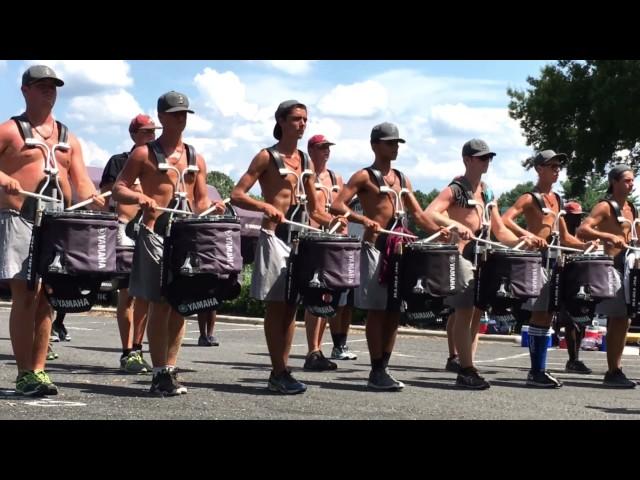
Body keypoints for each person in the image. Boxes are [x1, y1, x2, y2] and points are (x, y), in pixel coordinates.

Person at [0, 65, 105, 396]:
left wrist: (93, 198)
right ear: (25, 90)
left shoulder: (67, 137)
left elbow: (82, 180)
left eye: (53, 86)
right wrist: (4, 179)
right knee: (26, 294)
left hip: (58, 220)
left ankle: (40, 370)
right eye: (41, 85)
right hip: (20, 217)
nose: (49, 91)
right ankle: (23, 372)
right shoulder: (9, 131)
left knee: (48, 296)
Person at [113, 91, 226, 395]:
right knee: (159, 303)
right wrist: (140, 198)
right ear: (161, 117)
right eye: (175, 113)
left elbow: (200, 199)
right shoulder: (143, 153)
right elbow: (118, 190)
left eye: (184, 114)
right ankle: (160, 371)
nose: (181, 118)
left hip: (186, 237)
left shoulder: (194, 156)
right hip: (155, 234)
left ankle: (171, 368)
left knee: (181, 303)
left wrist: (211, 208)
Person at [231, 100, 346, 394]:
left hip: (301, 238)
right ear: (281, 122)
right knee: (277, 307)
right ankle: (277, 370)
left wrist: (335, 221)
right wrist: (265, 206)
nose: (302, 124)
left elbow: (317, 209)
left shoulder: (306, 161)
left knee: (292, 305)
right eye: (296, 119)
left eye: (305, 119)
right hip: (274, 236)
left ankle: (284, 370)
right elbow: (237, 195)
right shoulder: (266, 157)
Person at [331, 122, 451, 390]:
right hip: (376, 245)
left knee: (394, 311)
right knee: (377, 310)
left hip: (400, 248)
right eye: (390, 142)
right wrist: (363, 219)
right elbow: (337, 205)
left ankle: (383, 368)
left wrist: (440, 230)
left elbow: (419, 214)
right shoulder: (364, 176)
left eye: (397, 143)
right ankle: (375, 370)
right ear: (375, 145)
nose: (395, 147)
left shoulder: (402, 178)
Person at [426, 138, 542, 389]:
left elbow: (500, 230)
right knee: (464, 312)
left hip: (483, 258)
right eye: (481, 157)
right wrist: (455, 225)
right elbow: (430, 213)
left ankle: (470, 365)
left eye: (488, 157)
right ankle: (464, 367)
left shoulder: (488, 192)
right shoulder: (455, 189)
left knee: (477, 314)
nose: (486, 161)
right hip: (460, 257)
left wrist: (522, 240)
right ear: (467, 160)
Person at [501, 150, 595, 387]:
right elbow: (505, 220)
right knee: (540, 313)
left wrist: (585, 246)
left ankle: (539, 370)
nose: (557, 169)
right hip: (538, 260)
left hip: (555, 259)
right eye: (551, 166)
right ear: (539, 169)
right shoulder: (530, 198)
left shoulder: (558, 200)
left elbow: (563, 236)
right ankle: (536, 371)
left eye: (558, 166)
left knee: (549, 315)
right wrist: (528, 235)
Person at [100, 114, 160, 373]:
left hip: (148, 232)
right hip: (124, 231)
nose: (151, 136)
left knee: (145, 294)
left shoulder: (159, 161)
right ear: (134, 134)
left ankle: (138, 347)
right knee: (127, 294)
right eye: (145, 132)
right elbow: (107, 198)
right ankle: (128, 351)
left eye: (152, 132)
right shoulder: (119, 161)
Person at [576, 164, 637, 388]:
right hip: (612, 269)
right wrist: (607, 236)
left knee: (625, 320)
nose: (631, 184)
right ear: (614, 182)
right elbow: (582, 230)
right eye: (627, 181)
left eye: (632, 180)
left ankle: (616, 369)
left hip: (629, 267)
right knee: (618, 319)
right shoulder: (605, 206)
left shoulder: (631, 208)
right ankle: (613, 370)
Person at [302, 134, 354, 370]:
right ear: (311, 149)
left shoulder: (336, 177)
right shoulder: (306, 176)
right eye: (322, 147)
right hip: (313, 239)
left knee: (329, 298)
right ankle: (313, 349)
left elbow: (342, 206)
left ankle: (319, 348)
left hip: (333, 241)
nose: (326, 151)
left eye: (328, 148)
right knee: (316, 295)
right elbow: (311, 209)